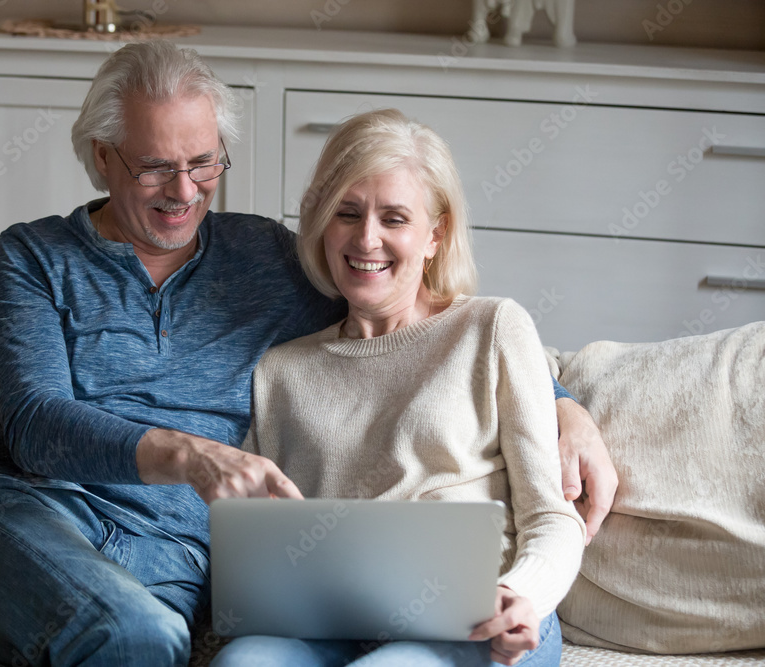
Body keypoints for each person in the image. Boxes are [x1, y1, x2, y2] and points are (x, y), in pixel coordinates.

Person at [0, 41, 615, 666]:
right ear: (102, 157)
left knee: (149, 637)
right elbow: (37, 423)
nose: (184, 191)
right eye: (157, 167)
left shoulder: (268, 260)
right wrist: (190, 456)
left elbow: (404, 328)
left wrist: (563, 406)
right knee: (134, 636)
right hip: (29, 517)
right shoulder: (34, 257)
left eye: (203, 162)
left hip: (171, 557)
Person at [212, 109, 585, 667]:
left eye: (394, 219)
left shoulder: (492, 329)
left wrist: (523, 596)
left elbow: (552, 517)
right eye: (348, 213)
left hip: (474, 619)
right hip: (328, 620)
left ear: (435, 236)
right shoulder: (280, 370)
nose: (367, 239)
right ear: (321, 224)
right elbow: (255, 538)